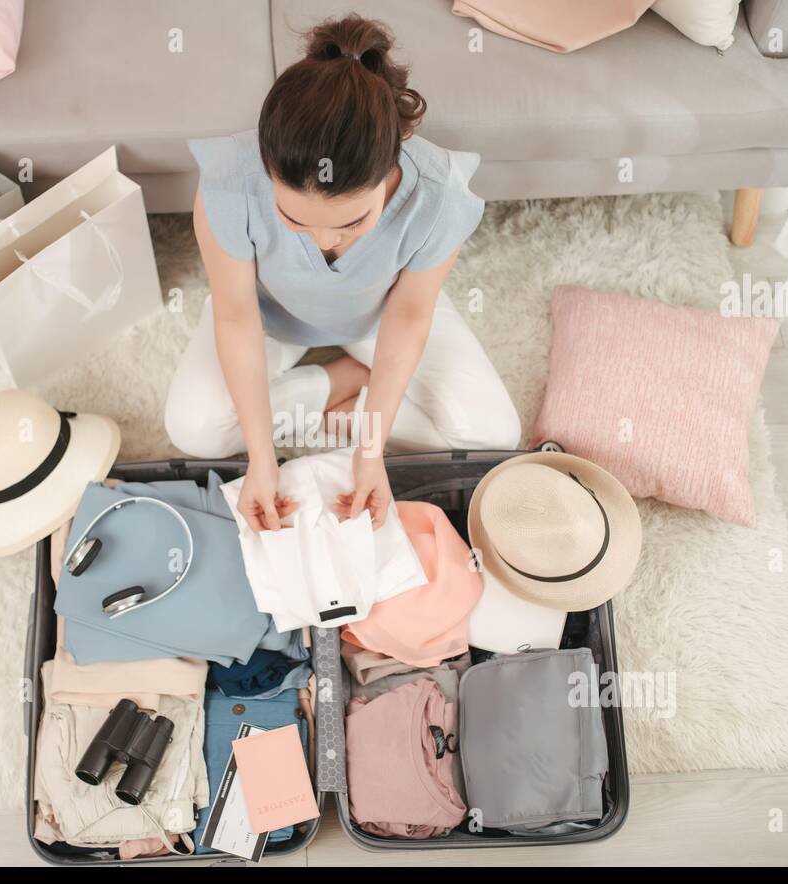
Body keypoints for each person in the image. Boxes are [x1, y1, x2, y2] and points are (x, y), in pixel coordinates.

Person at [165, 13, 521, 532]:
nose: (325, 241)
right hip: (267, 318)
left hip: (382, 318)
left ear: (390, 169)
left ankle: (347, 410)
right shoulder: (229, 183)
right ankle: (342, 381)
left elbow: (411, 313)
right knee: (191, 430)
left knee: (494, 435)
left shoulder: (439, 196)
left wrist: (370, 451)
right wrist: (262, 461)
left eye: (352, 223)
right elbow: (236, 316)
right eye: (293, 219)